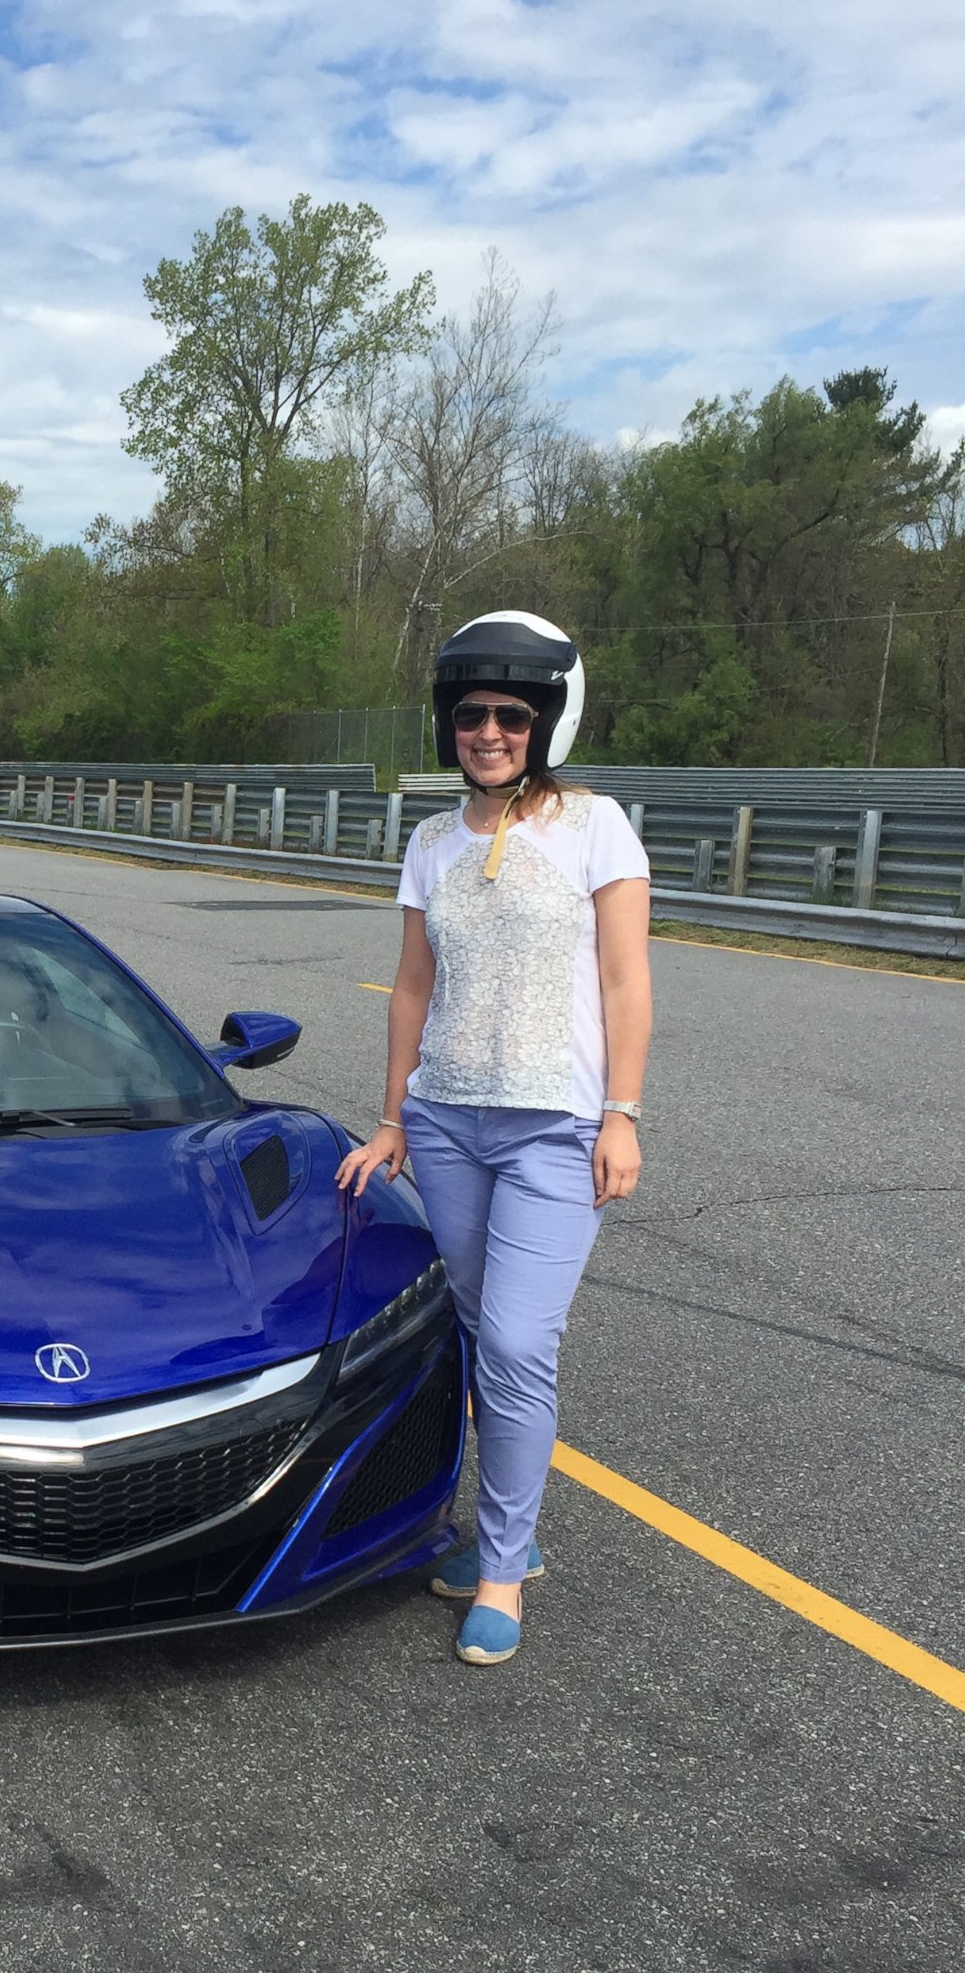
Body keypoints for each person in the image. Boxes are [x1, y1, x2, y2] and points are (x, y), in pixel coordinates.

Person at [335, 611, 652, 1668]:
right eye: (470, 714)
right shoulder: (431, 841)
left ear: (547, 721)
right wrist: (391, 1119)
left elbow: (624, 981)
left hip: (556, 1129)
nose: (488, 732)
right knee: (477, 1339)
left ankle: (504, 1566)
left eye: (511, 715)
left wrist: (623, 1113)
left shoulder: (595, 827)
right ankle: (501, 1536)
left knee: (518, 1344)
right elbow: (413, 986)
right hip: (447, 1123)